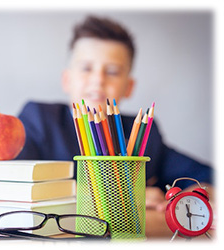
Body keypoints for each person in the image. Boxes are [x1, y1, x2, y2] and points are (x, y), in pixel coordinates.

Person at [16, 15, 214, 211]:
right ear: (67, 80)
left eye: (112, 72)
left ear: (129, 87)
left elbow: (209, 178)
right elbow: (14, 182)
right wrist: (121, 197)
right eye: (86, 68)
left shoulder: (145, 134)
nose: (98, 80)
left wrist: (186, 203)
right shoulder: (39, 119)